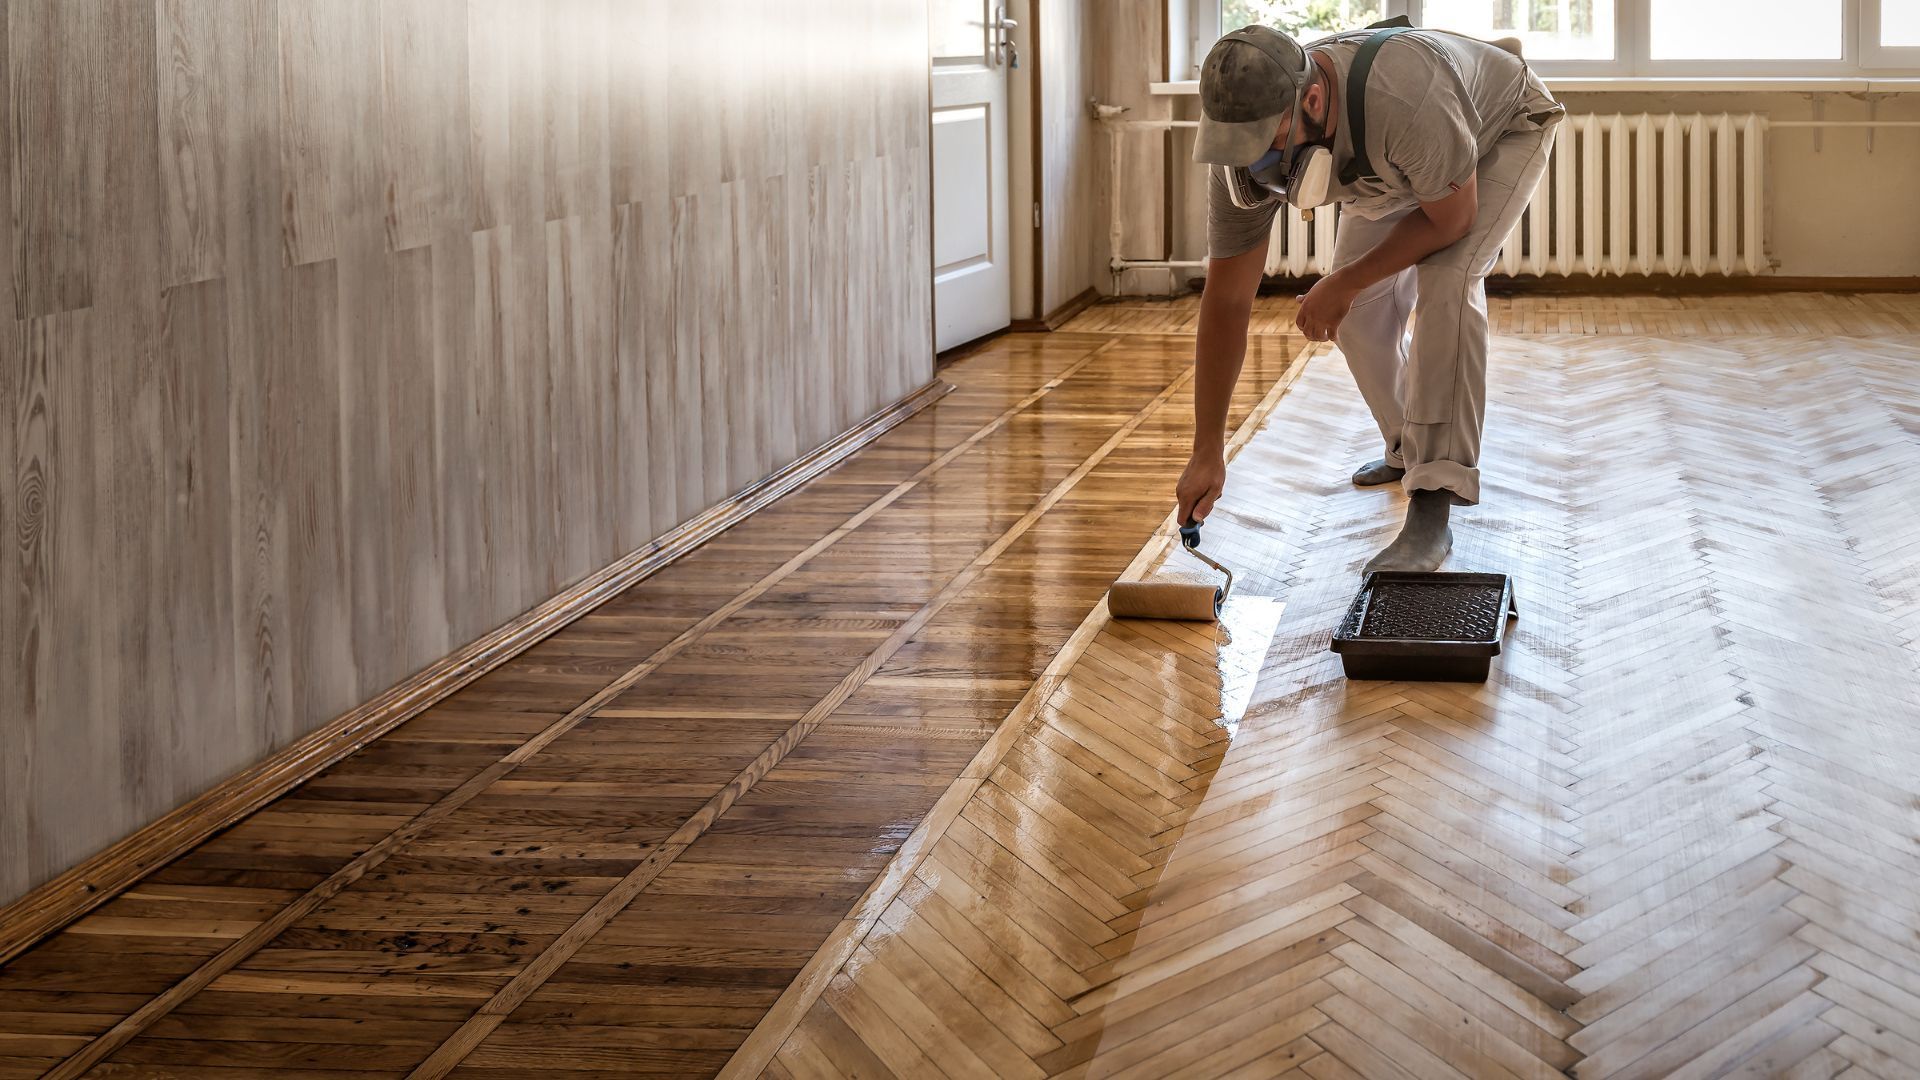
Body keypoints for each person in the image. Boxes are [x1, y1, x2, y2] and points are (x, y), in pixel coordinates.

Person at [1175, 19, 1563, 573]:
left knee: (1449, 280)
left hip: (1497, 129)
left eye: (1270, 142)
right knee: (1356, 315)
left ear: (1312, 99)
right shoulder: (1238, 154)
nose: (1255, 163)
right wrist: (1206, 448)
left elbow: (1451, 220)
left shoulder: (1404, 95)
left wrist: (1344, 280)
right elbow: (1227, 302)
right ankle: (1408, 446)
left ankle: (1433, 502)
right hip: (1394, 159)